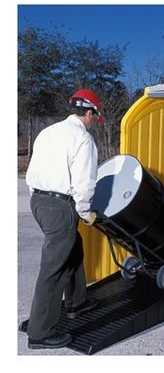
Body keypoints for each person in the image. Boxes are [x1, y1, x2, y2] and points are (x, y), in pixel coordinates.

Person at [24, 89, 104, 350]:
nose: (94, 121)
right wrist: (84, 211)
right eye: (95, 116)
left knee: (73, 247)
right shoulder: (83, 139)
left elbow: (33, 168)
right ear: (89, 112)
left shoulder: (48, 132)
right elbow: (84, 182)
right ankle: (40, 332)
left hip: (38, 200)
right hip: (60, 206)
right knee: (54, 268)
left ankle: (76, 302)